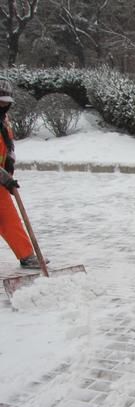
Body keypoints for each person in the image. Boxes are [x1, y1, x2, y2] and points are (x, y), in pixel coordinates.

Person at [0, 78, 39, 269]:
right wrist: (5, 177)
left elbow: (9, 145)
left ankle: (27, 256)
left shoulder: (4, 122)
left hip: (0, 181)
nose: (3, 105)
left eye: (6, 102)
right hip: (1, 179)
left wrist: (10, 161)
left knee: (10, 218)